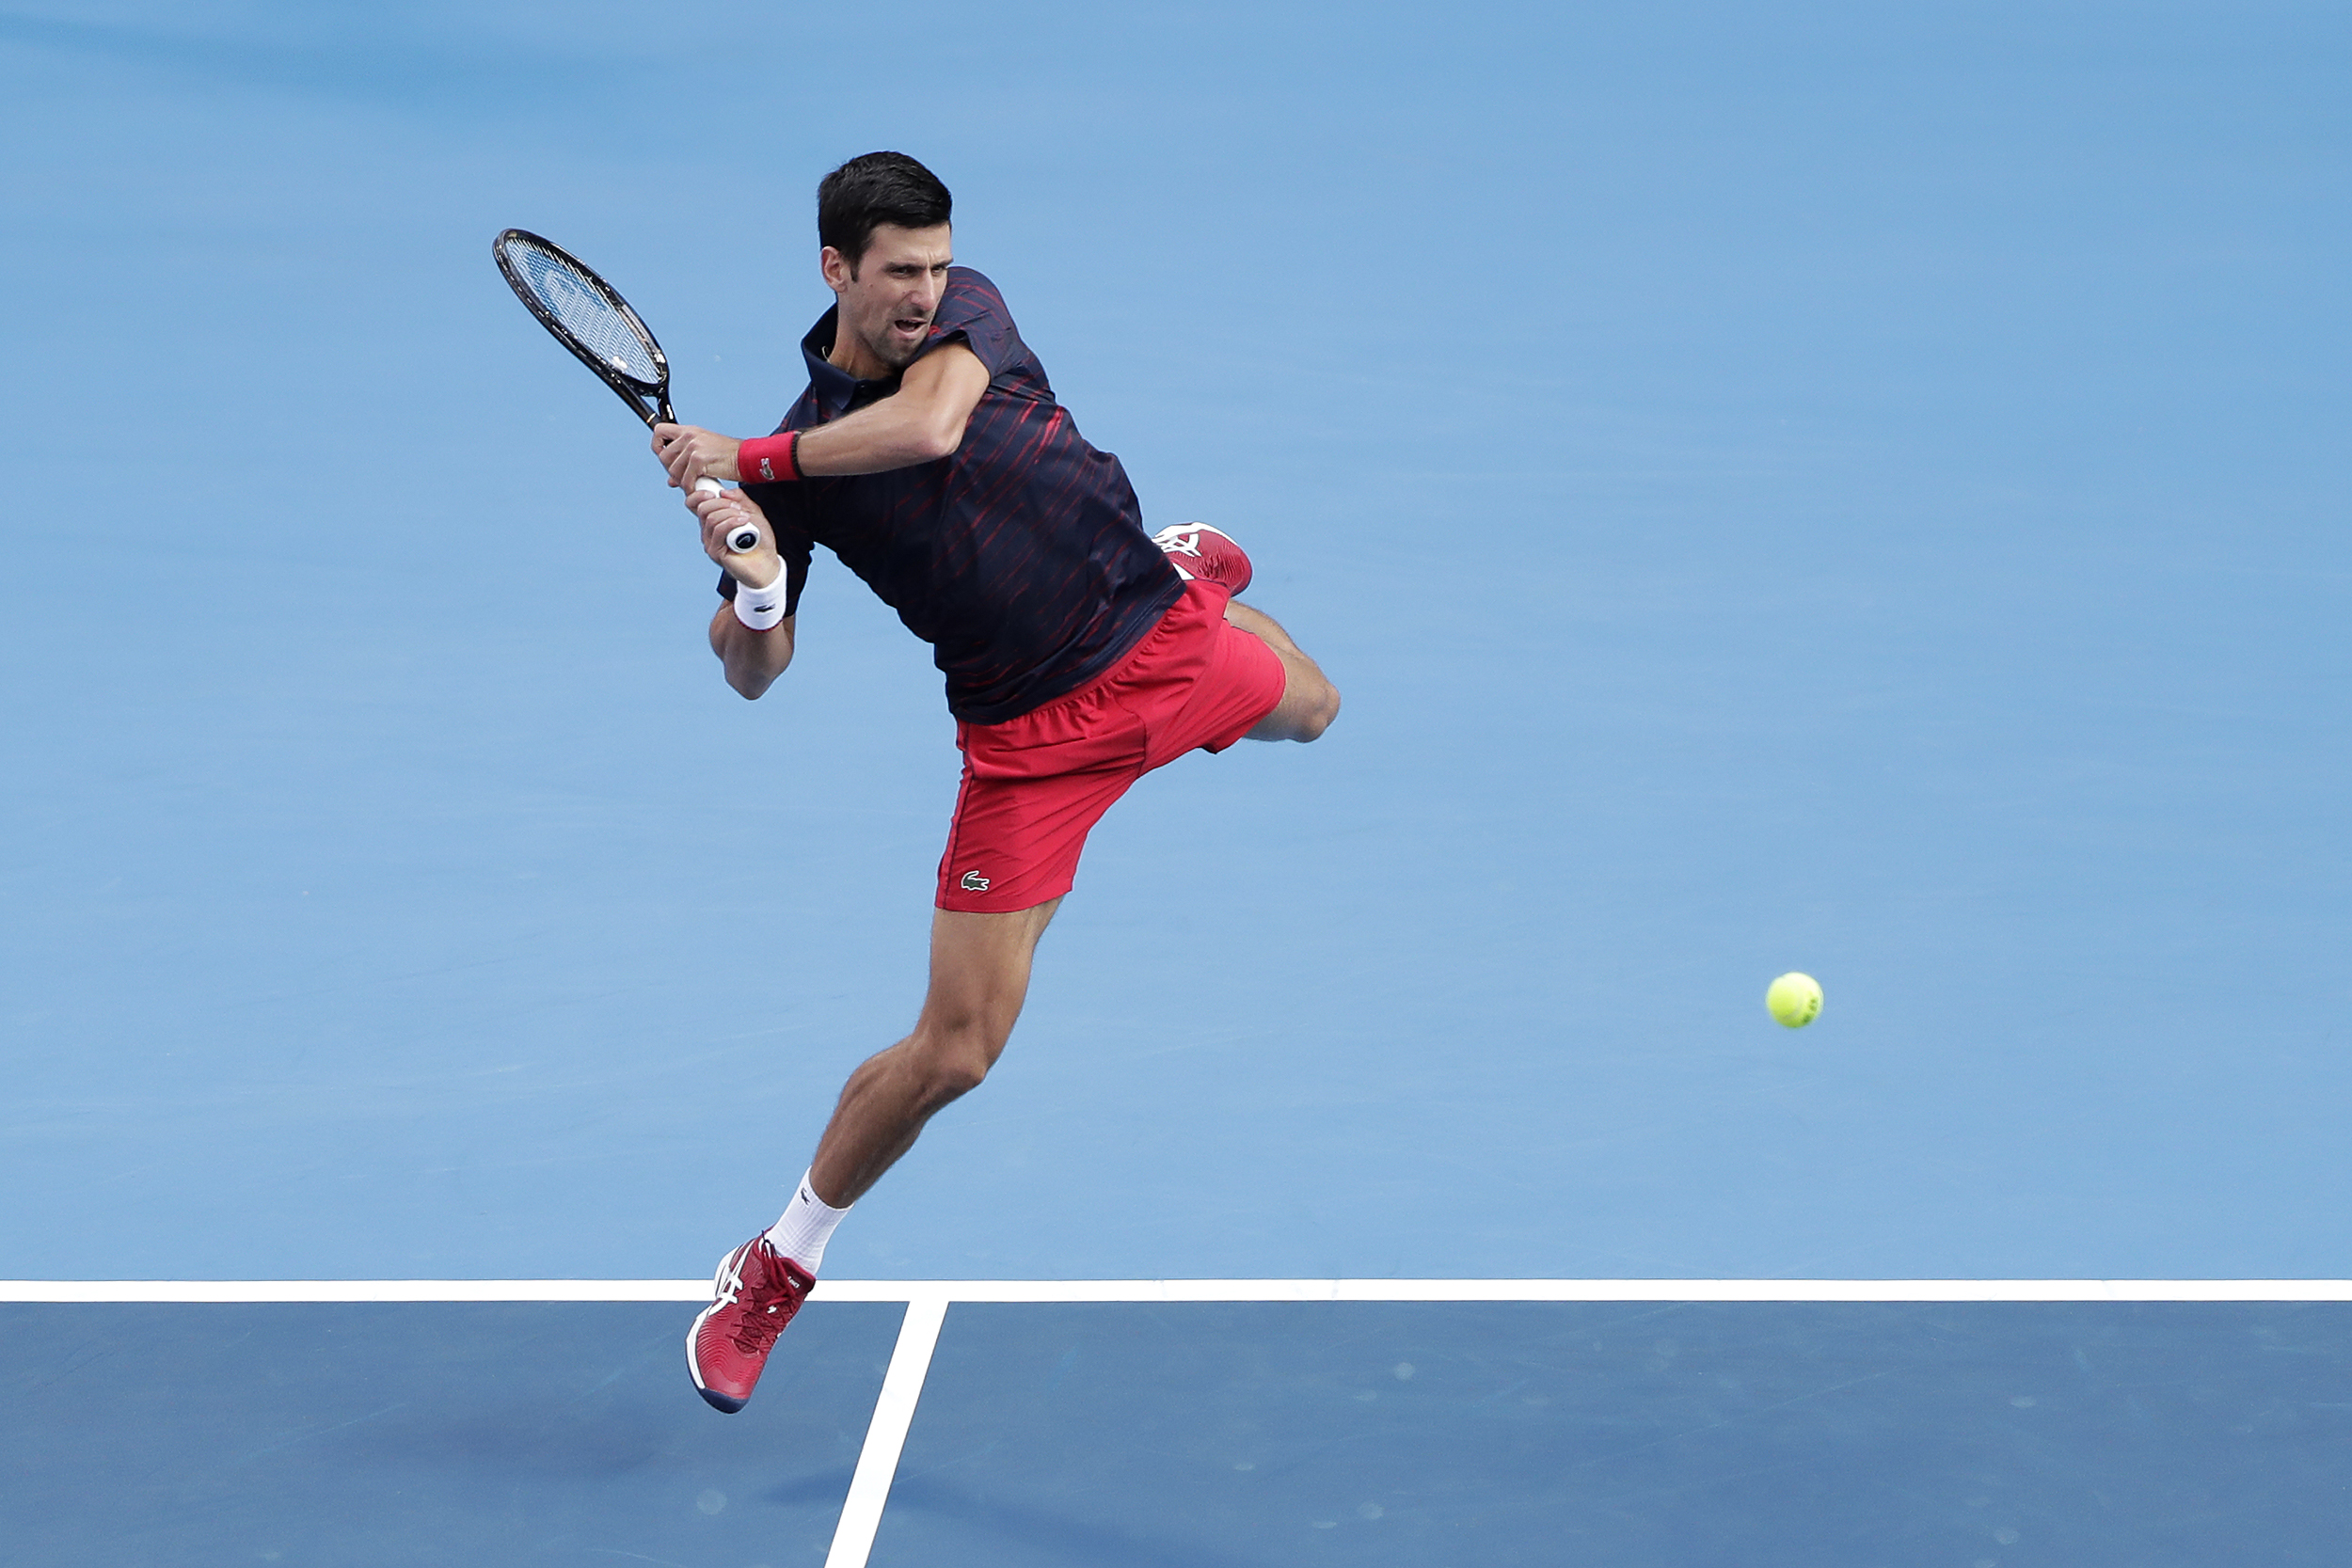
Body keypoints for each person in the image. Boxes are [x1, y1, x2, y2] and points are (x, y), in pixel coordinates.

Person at [653, 151, 1341, 1413]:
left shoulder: (966, 316)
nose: (924, 289)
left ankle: (1191, 572)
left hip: (1162, 642)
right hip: (1030, 743)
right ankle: (779, 1265)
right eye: (897, 272)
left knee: (1317, 707)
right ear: (834, 270)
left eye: (933, 264)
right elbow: (755, 673)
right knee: (959, 1053)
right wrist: (755, 576)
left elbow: (929, 426)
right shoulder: (794, 460)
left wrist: (745, 457)